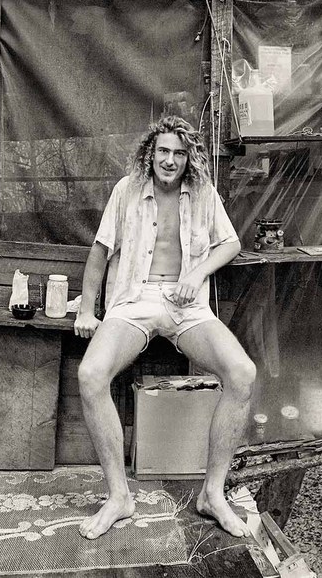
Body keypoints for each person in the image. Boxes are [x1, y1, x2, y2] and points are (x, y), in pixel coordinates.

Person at [73, 115, 258, 540]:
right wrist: (87, 309)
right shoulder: (127, 190)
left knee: (242, 374)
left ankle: (212, 494)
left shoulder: (205, 194)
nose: (169, 160)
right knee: (90, 375)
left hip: (186, 306)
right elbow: (100, 252)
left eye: (178, 152)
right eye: (162, 151)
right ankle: (119, 497)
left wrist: (196, 275)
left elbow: (231, 243)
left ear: (188, 157)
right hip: (134, 302)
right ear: (150, 153)